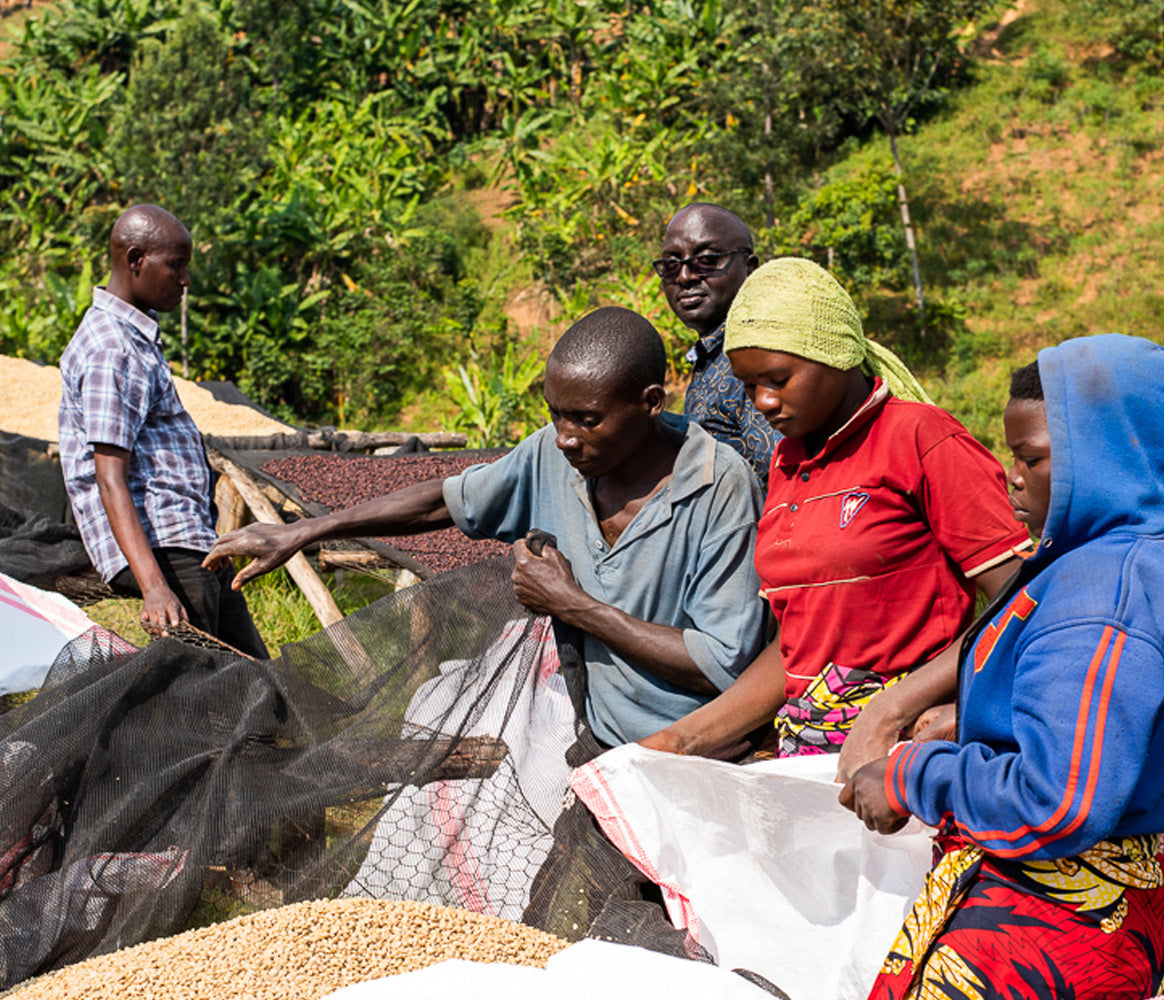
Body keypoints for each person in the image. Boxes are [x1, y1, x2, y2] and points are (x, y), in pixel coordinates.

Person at [843, 335, 1164, 1000]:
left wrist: (913, 774)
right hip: (1126, 908)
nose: (1013, 476)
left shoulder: (1100, 595)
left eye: (1033, 458)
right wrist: (976, 719)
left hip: (1041, 926)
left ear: (1101, 458)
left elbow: (1058, 799)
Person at [205, 306, 766, 747]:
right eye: (555, 413)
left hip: (686, 746)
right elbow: (443, 502)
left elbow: (721, 664)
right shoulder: (553, 455)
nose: (565, 437)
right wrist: (305, 531)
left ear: (650, 403)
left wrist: (573, 606)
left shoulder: (718, 486)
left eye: (587, 420)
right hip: (586, 723)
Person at [639, 258, 1030, 760]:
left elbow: (1020, 598)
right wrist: (678, 741)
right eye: (749, 385)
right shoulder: (787, 463)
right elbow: (799, 648)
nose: (763, 401)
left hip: (905, 749)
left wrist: (892, 710)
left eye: (777, 379)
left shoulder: (920, 438)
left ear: (835, 354)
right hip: (810, 746)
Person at [58, 204, 269, 658]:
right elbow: (109, 477)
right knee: (207, 686)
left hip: (186, 540)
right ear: (136, 260)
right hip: (162, 547)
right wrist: (155, 587)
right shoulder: (112, 349)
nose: (185, 280)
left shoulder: (135, 339)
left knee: (254, 676)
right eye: (176, 265)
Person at [655, 203, 780, 481]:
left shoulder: (757, 357)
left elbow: (783, 475)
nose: (684, 277)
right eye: (671, 265)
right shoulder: (712, 354)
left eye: (707, 260)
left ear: (749, 268)